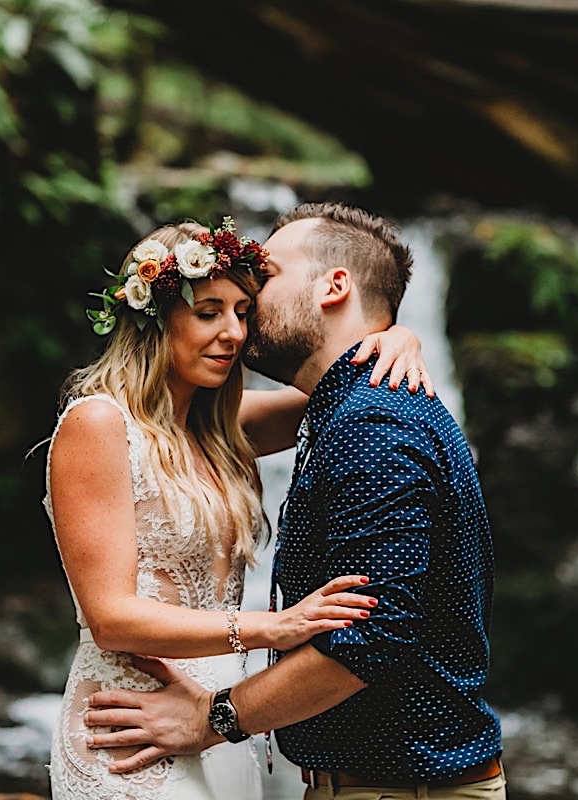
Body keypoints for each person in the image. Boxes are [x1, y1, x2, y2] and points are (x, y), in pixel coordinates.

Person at [81, 202, 506, 800]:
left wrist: (213, 719)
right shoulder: (338, 411)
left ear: (335, 287)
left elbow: (367, 641)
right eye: (212, 309)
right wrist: (394, 333)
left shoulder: (372, 422)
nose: (245, 310)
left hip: (398, 787)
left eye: (264, 280)